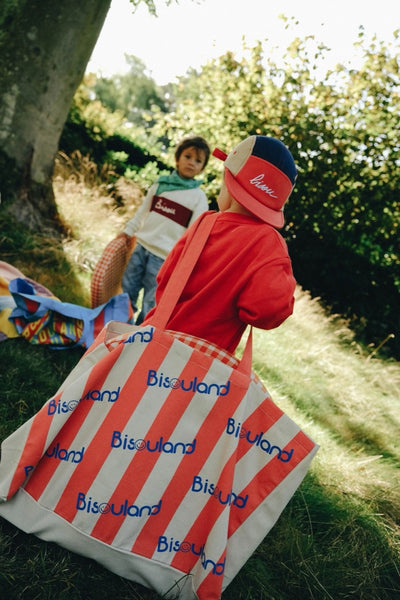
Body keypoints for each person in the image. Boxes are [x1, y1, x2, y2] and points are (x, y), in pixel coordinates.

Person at [143, 134, 297, 354]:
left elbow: (164, 277)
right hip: (199, 366)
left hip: (153, 340)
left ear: (229, 181)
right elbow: (267, 311)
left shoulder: (204, 223)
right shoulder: (269, 245)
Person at [120, 135, 210, 323]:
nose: (192, 163)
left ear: (202, 168)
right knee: (126, 292)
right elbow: (142, 212)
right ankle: (116, 331)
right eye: (187, 156)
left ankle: (136, 340)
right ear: (177, 158)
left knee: (150, 303)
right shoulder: (161, 184)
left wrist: (183, 261)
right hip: (140, 247)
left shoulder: (198, 197)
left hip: (164, 258)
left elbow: (194, 234)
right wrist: (127, 232)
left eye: (198, 160)